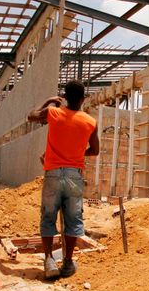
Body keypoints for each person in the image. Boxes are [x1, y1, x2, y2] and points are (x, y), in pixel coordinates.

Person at [28, 80, 99, 279]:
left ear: (65, 97)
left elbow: (31, 116)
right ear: (84, 99)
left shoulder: (54, 113)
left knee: (48, 216)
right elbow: (95, 150)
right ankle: (68, 263)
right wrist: (76, 154)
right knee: (73, 220)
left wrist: (49, 101)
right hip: (74, 175)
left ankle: (49, 260)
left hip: (52, 173)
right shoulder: (90, 122)